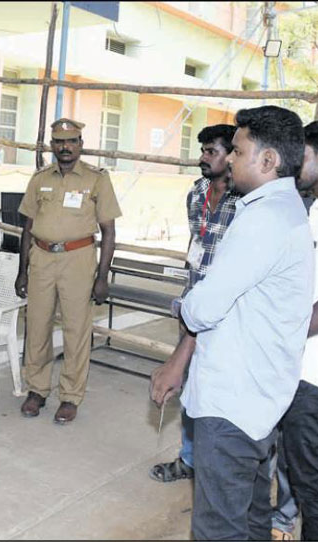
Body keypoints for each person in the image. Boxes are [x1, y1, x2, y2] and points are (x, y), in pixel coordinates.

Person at [151, 105, 312, 541]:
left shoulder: (263, 219)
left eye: (238, 151)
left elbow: (204, 308)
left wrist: (185, 306)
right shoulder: (289, 210)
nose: (231, 160)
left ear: (267, 161)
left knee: (218, 528)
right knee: (251, 518)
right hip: (260, 399)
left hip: (233, 404)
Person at [149, 124, 239, 483]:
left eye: (211, 151)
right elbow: (195, 247)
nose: (203, 157)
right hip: (194, 307)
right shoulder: (197, 192)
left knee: (221, 394)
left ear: (231, 155)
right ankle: (189, 459)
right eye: (202, 150)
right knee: (189, 387)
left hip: (228, 312)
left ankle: (220, 467)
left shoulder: (245, 201)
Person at [15, 118, 121, 424]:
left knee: (76, 331)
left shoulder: (96, 179)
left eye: (72, 141)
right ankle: (37, 389)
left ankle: (70, 396)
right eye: (59, 142)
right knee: (37, 327)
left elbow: (109, 232)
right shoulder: (40, 178)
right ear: (52, 145)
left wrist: (102, 277)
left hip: (78, 259)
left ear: (80, 144)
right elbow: (27, 227)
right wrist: (23, 270)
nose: (65, 147)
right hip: (42, 258)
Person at [278, 120, 318, 542]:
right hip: (302, 364)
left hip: (311, 374)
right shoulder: (310, 206)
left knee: (310, 485)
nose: (294, 163)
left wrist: (279, 332)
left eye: (303, 154)